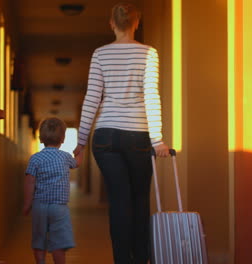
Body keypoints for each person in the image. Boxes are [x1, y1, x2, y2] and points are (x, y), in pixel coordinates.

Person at [73, 2, 170, 263]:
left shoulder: (100, 54)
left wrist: (81, 141)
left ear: (112, 24)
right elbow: (151, 95)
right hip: (138, 136)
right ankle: (141, 259)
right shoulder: (149, 53)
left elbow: (92, 97)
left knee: (119, 201)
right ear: (136, 23)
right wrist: (157, 139)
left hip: (106, 137)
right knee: (139, 200)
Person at [23, 117, 83, 264]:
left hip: (40, 205)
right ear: (62, 138)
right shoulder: (65, 157)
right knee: (59, 242)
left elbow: (30, 181)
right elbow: (77, 163)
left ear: (41, 138)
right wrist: (80, 150)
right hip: (59, 207)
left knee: (39, 240)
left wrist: (27, 203)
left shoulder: (35, 159)